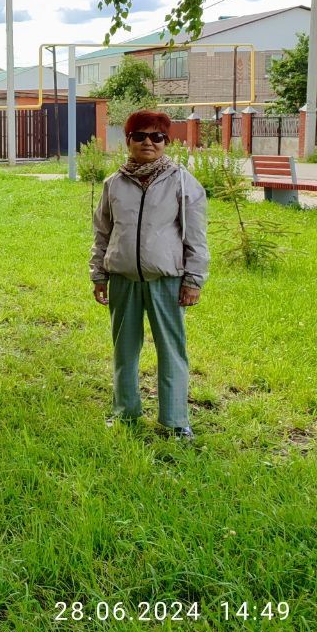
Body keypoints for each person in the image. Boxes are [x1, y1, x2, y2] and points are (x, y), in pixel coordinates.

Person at [91, 109, 208, 441]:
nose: (148, 142)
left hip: (166, 281)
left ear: (166, 142)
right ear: (127, 140)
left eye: (156, 137)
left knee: (171, 349)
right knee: (124, 349)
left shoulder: (183, 181)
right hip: (123, 279)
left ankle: (174, 421)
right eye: (140, 136)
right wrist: (99, 274)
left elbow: (195, 236)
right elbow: (102, 233)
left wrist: (193, 279)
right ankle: (124, 412)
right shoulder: (114, 183)